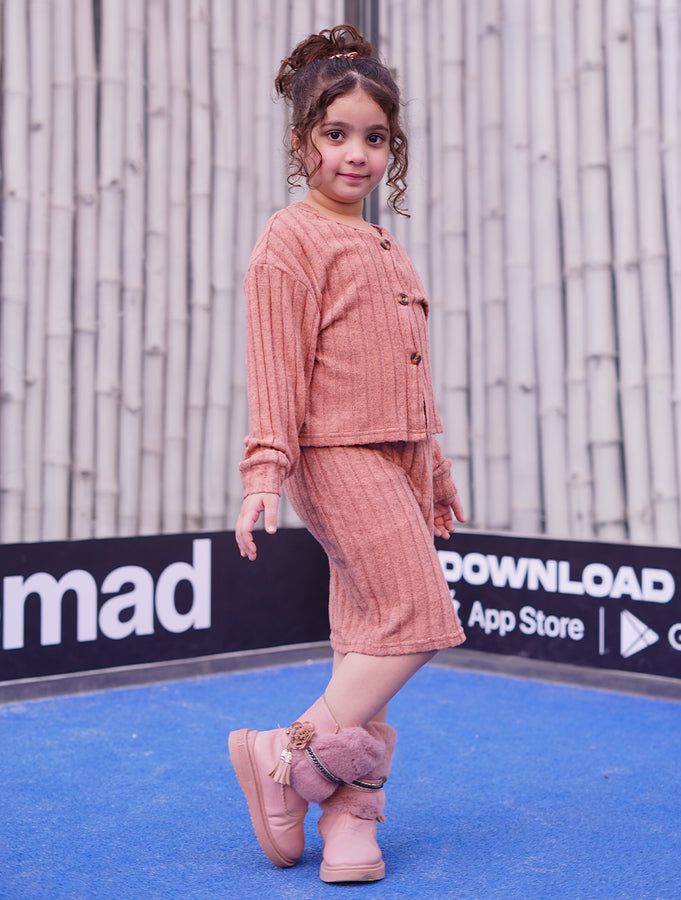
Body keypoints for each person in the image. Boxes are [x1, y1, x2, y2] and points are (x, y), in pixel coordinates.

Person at [229, 24, 466, 884]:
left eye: (374, 137)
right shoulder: (289, 239)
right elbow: (275, 365)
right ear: (303, 144)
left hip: (398, 460)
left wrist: (433, 473)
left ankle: (352, 819)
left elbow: (409, 377)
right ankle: (286, 757)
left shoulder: (384, 245)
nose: (356, 154)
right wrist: (265, 472)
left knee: (366, 639)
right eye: (336, 134)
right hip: (335, 456)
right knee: (416, 620)